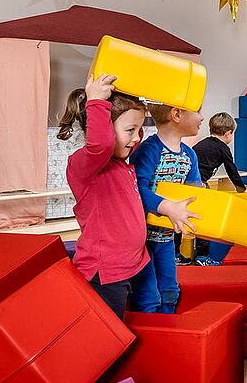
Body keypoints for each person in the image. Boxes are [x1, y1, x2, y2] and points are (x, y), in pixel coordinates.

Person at [59, 74, 194, 319]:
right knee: (111, 326)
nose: (136, 138)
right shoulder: (85, 165)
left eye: (139, 130)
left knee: (149, 303)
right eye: (130, 130)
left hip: (135, 261)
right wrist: (96, 101)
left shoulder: (123, 165)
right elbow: (101, 145)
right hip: (106, 271)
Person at [129, 103, 208, 314]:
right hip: (141, 240)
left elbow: (195, 194)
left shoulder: (189, 155)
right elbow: (136, 190)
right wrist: (167, 207)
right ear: (177, 114)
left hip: (166, 238)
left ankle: (168, 324)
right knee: (147, 294)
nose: (202, 117)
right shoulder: (149, 150)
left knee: (170, 290)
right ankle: (150, 329)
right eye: (198, 111)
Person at [192, 113, 247, 192]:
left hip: (189, 179)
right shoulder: (223, 148)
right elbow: (232, 170)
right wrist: (242, 189)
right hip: (199, 181)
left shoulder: (201, 144)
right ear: (228, 134)